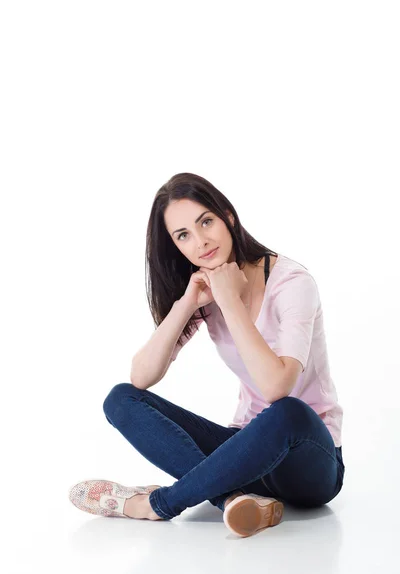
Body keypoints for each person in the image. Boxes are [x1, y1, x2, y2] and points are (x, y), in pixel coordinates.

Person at [69, 172, 345, 538]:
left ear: (228, 216)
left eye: (206, 222)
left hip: (309, 460)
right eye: (183, 235)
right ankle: (234, 501)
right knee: (120, 399)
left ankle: (156, 504)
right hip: (246, 453)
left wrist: (230, 300)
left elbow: (277, 387)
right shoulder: (207, 290)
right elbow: (141, 377)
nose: (200, 242)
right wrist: (187, 304)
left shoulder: (292, 284)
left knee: (288, 412)